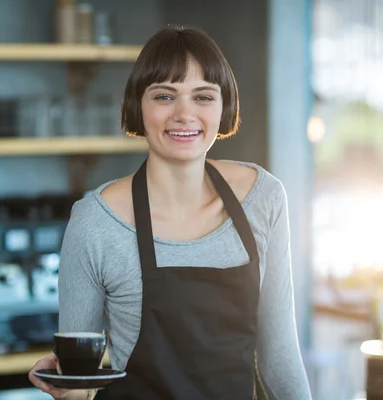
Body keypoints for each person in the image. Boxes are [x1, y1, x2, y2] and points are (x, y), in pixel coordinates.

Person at [29, 24, 312, 400]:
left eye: (203, 97)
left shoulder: (264, 199)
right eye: (164, 96)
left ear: (223, 107)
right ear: (137, 106)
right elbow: (82, 381)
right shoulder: (96, 222)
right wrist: (67, 390)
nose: (184, 114)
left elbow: (280, 356)